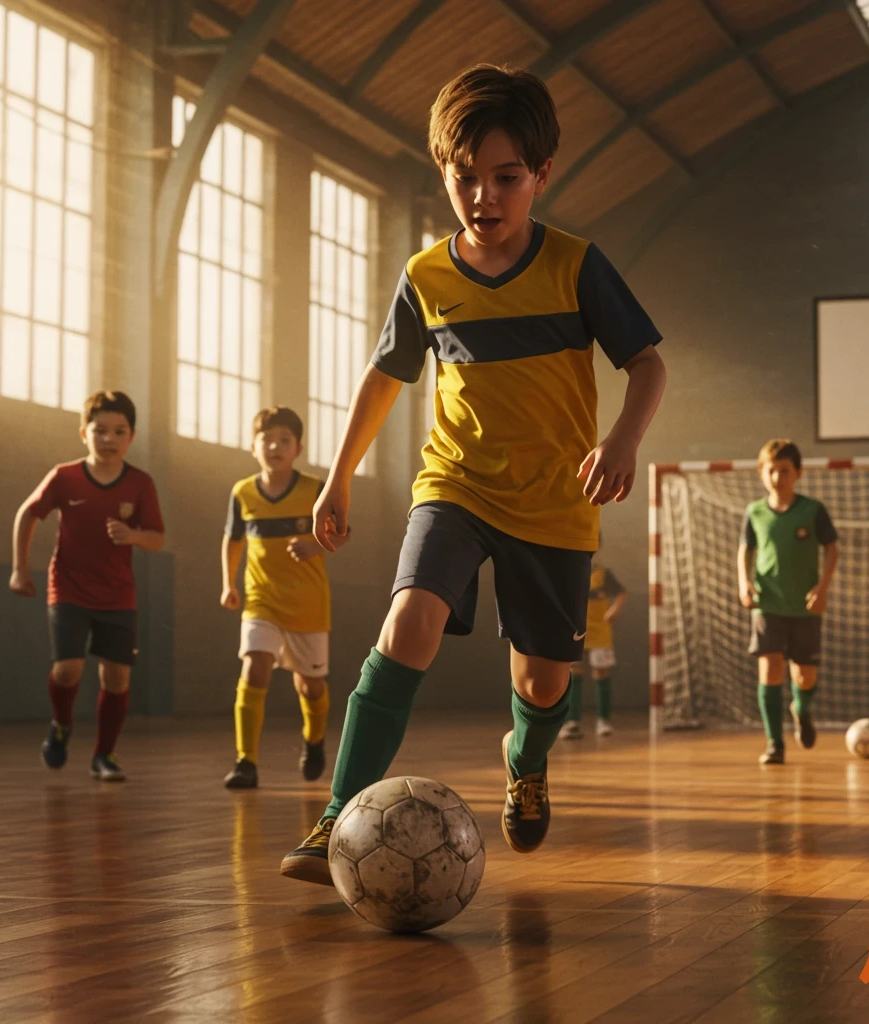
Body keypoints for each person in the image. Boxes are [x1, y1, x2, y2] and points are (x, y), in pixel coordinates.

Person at [280, 62, 665, 885]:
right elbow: (386, 377)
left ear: (541, 177)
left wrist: (625, 440)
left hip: (556, 503)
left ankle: (525, 759)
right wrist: (338, 477)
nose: (484, 197)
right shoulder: (426, 278)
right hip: (454, 485)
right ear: (444, 174)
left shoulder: (576, 265)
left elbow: (648, 364)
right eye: (466, 179)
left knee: (542, 678)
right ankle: (337, 818)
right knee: (406, 624)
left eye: (506, 178)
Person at [9, 390, 165, 781]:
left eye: (118, 431)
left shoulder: (141, 484)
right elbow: (27, 515)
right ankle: (61, 724)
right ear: (84, 433)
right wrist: (19, 568)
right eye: (100, 430)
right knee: (68, 670)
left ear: (130, 437)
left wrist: (133, 535)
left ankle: (104, 755)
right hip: (69, 590)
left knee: (117, 678)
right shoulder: (65, 477)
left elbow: (158, 538)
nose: (109, 439)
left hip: (118, 595)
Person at [221, 407, 333, 789]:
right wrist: (229, 584)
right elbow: (233, 540)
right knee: (254, 667)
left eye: (284, 440)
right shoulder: (242, 492)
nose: (275, 446)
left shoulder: (315, 489)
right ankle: (245, 761)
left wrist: (314, 545)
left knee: (310, 686)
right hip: (260, 600)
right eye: (267, 439)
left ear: (298, 448)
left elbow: (342, 533)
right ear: (254, 447)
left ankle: (314, 740)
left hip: (308, 602)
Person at [738, 439, 838, 765]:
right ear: (761, 474)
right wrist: (744, 581)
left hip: (805, 607)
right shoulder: (754, 512)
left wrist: (822, 587)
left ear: (798, 473)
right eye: (771, 470)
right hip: (769, 604)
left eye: (785, 470)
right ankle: (774, 743)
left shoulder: (813, 510)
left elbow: (832, 549)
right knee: (769, 669)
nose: (778, 477)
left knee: (805, 676)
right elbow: (746, 551)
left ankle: (802, 709)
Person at [561, 536, 627, 739]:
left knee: (601, 672)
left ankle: (603, 720)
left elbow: (621, 593)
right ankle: (573, 721)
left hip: (599, 629)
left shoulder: (603, 573)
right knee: (573, 672)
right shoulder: (568, 571)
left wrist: (614, 610)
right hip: (575, 629)